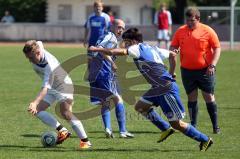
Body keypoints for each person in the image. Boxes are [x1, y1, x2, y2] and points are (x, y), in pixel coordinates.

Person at [89, 28, 213, 151]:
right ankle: (165, 128)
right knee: (140, 107)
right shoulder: (152, 48)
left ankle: (205, 139)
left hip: (165, 89)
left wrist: (98, 48)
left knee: (177, 124)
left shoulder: (136, 48)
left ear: (133, 41)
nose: (124, 44)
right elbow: (172, 54)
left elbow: (117, 52)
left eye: (126, 41)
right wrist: (171, 72)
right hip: (157, 88)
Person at [23, 40, 91, 149]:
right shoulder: (38, 48)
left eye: (31, 58)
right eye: (27, 58)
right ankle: (62, 131)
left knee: (65, 113)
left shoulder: (50, 66)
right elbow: (38, 42)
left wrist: (35, 102)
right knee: (37, 111)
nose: (29, 60)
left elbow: (45, 88)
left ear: (38, 53)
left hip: (64, 86)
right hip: (52, 88)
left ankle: (85, 141)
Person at [169, 7, 221, 134]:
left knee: (208, 96)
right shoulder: (180, 31)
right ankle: (193, 126)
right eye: (187, 20)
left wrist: (212, 65)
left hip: (205, 70)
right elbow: (173, 46)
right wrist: (174, 50)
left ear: (198, 19)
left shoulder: (208, 31)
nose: (189, 23)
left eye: (192, 20)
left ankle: (215, 127)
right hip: (187, 70)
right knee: (191, 98)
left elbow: (217, 48)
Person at [88, 19, 134, 138]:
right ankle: (123, 131)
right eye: (119, 27)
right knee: (118, 99)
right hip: (104, 71)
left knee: (105, 101)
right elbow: (99, 49)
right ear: (112, 26)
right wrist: (111, 62)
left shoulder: (103, 35)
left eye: (123, 28)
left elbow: (94, 51)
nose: (121, 30)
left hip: (94, 71)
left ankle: (108, 129)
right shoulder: (110, 36)